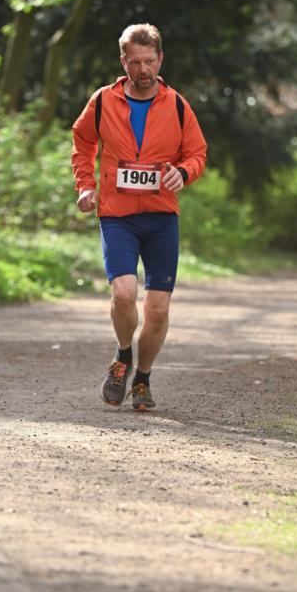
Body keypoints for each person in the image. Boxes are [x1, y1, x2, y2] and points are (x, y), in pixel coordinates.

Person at [71, 23, 207, 411]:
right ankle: (123, 355)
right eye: (135, 62)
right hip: (118, 216)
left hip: (162, 217)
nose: (143, 69)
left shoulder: (178, 105)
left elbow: (197, 152)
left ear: (160, 59)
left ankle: (143, 378)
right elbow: (82, 142)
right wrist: (85, 184)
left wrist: (183, 172)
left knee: (159, 308)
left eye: (149, 61)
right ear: (123, 62)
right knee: (125, 293)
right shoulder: (102, 101)